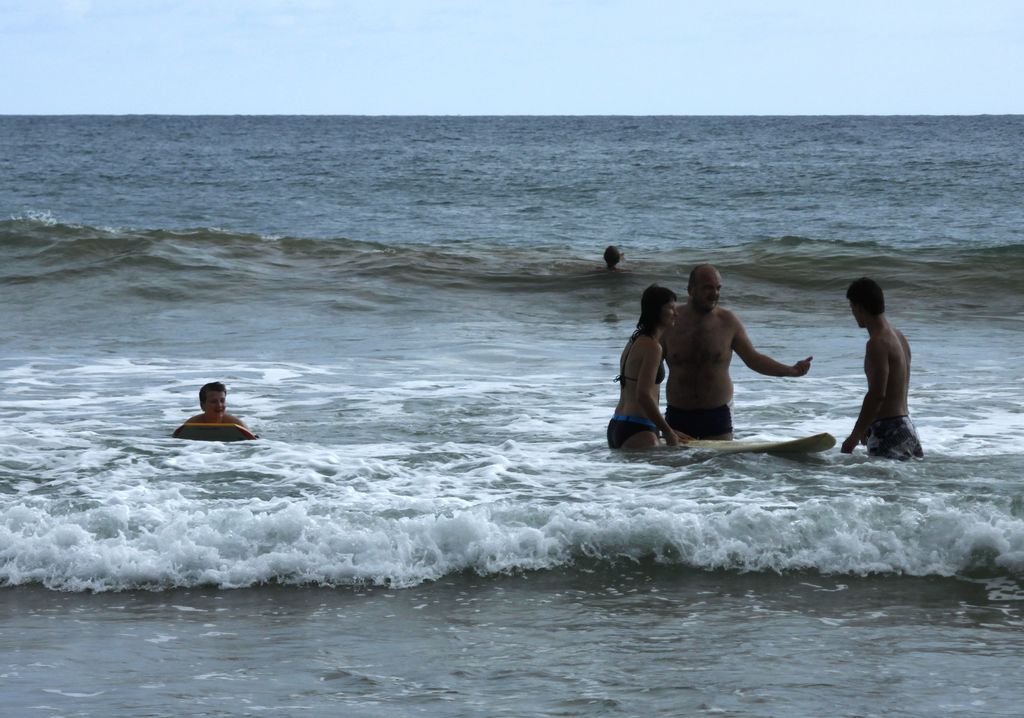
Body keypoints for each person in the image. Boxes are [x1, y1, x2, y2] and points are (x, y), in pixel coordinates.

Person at [661, 264, 813, 439]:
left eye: (718, 288)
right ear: (690, 290)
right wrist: (652, 420)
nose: (715, 293)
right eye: (708, 288)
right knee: (674, 466)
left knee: (719, 466)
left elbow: (753, 359)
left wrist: (790, 370)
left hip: (716, 415)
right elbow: (649, 368)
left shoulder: (728, 322)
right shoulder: (670, 323)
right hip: (678, 415)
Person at [841, 278, 923, 459]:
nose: (853, 314)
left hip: (888, 430)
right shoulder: (899, 337)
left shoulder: (877, 343)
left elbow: (877, 395)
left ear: (860, 308)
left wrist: (854, 436)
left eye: (852, 308)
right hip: (907, 428)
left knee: (879, 487)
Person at [608, 284, 689, 449]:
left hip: (618, 425)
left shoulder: (634, 340)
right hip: (638, 429)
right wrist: (667, 432)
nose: (676, 313)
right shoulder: (653, 347)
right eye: (670, 308)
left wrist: (667, 430)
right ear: (656, 311)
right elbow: (643, 395)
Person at [184, 381, 249, 427]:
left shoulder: (237, 425)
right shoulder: (191, 425)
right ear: (202, 406)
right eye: (214, 401)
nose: (219, 405)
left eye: (222, 401)